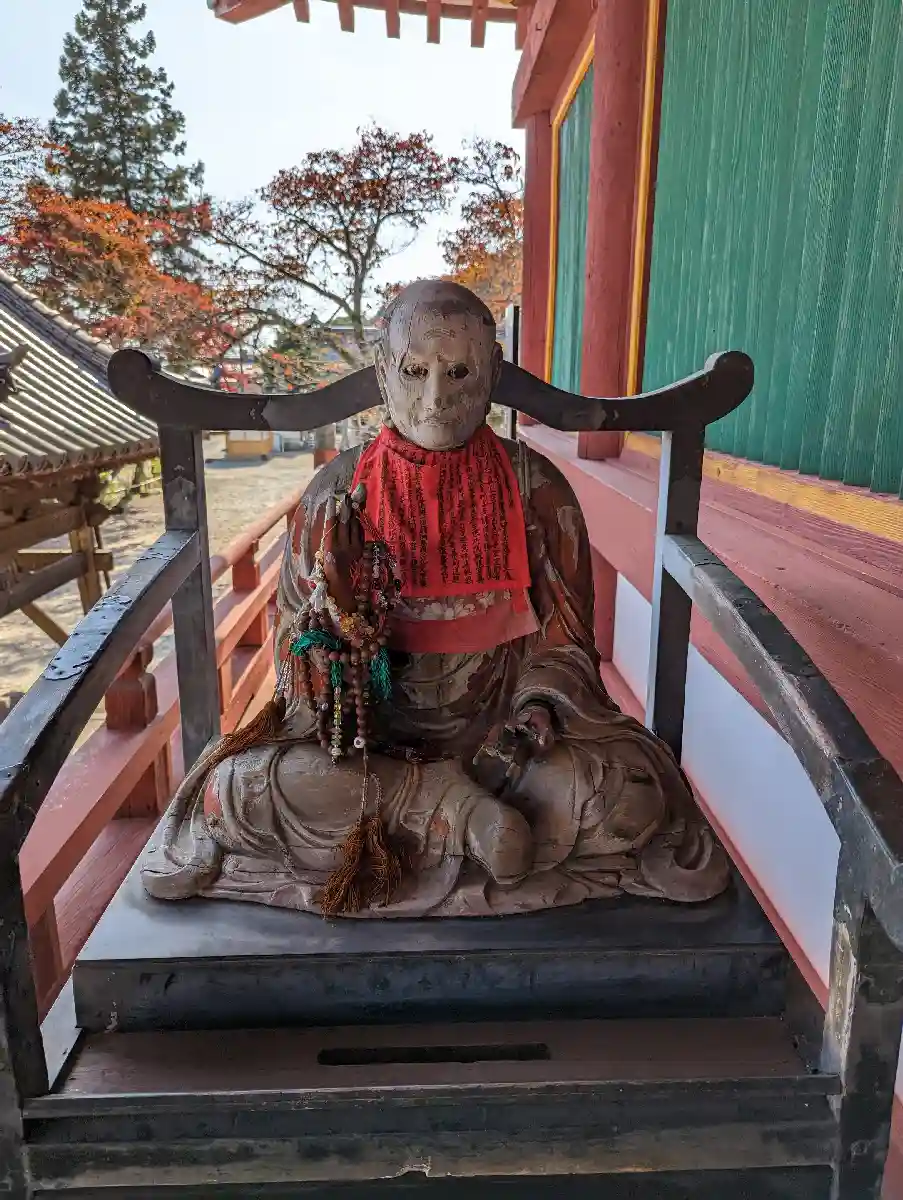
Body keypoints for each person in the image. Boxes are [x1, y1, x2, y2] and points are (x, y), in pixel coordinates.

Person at [141, 280, 730, 918]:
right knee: (236, 790)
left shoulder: (537, 488)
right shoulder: (335, 492)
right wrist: (337, 623)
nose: (436, 398)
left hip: (504, 751)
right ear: (382, 373)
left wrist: (538, 704)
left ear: (493, 372)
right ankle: (455, 811)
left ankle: (446, 819)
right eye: (414, 371)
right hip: (370, 753)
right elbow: (296, 670)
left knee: (630, 793)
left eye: (459, 372)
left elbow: (564, 644)